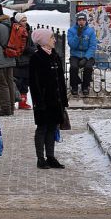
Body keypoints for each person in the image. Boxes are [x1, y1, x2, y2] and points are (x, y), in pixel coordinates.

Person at [29, 28, 68, 170]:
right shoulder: (37, 58)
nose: (55, 40)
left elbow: (61, 81)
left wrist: (63, 100)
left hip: (55, 100)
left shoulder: (55, 55)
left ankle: (51, 157)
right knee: (42, 129)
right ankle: (40, 158)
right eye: (52, 37)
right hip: (43, 101)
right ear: (44, 41)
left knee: (52, 128)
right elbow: (34, 83)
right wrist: (38, 102)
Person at [67, 12, 97, 96]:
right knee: (73, 67)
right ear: (77, 21)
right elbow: (72, 45)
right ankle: (74, 87)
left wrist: (86, 58)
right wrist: (78, 35)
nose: (81, 22)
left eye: (83, 20)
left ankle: (85, 86)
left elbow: (92, 46)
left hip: (87, 54)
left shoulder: (90, 31)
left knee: (88, 67)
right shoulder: (71, 30)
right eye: (79, 20)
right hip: (75, 54)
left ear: (86, 21)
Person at [13, 13, 36, 109]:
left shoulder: (27, 30)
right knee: (19, 82)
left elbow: (30, 43)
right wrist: (32, 50)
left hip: (26, 60)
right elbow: (22, 47)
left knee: (25, 82)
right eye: (23, 20)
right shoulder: (17, 30)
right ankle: (16, 101)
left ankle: (23, 102)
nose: (25, 22)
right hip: (19, 60)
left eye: (25, 20)